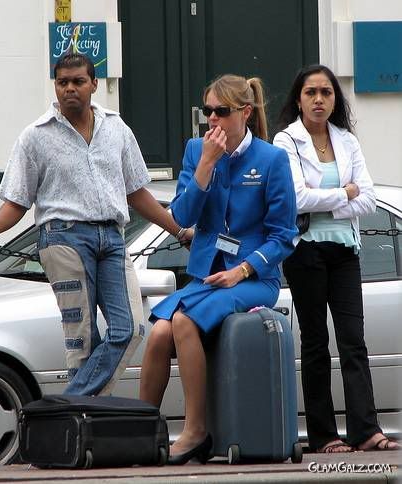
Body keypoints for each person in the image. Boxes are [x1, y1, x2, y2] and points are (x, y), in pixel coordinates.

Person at [0, 53, 191, 397]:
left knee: (129, 329)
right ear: (55, 86)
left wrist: (177, 230)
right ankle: (86, 424)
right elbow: (17, 202)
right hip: (63, 239)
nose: (70, 89)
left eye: (78, 81)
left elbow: (137, 193)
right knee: (82, 337)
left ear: (94, 84)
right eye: (62, 82)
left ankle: (71, 406)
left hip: (113, 239)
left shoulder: (116, 128)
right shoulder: (35, 136)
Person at [139, 74, 298, 464]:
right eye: (207, 111)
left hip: (253, 280)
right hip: (207, 277)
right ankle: (141, 431)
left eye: (221, 111)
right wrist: (205, 166)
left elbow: (284, 236)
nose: (212, 119)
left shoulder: (271, 159)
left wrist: (242, 270)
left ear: (244, 112)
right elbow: (181, 215)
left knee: (182, 323)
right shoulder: (197, 151)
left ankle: (196, 431)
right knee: (158, 332)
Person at [273, 64, 400, 453]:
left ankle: (366, 430)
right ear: (298, 98)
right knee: (314, 342)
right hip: (305, 251)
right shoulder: (286, 141)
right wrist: (343, 194)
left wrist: (332, 196)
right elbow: (297, 199)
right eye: (311, 92)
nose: (319, 99)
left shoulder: (347, 140)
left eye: (326, 93)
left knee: (353, 341)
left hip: (345, 251)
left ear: (335, 99)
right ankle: (324, 435)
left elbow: (367, 199)